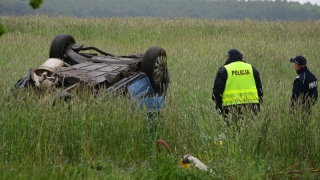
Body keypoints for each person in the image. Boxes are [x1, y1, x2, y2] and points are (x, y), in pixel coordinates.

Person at [212, 49, 263, 125]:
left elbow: (217, 91)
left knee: (232, 131)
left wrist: (219, 107)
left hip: (230, 107)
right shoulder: (252, 69)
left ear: (228, 57)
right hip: (251, 106)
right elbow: (259, 89)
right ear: (242, 58)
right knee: (249, 130)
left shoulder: (224, 70)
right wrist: (258, 105)